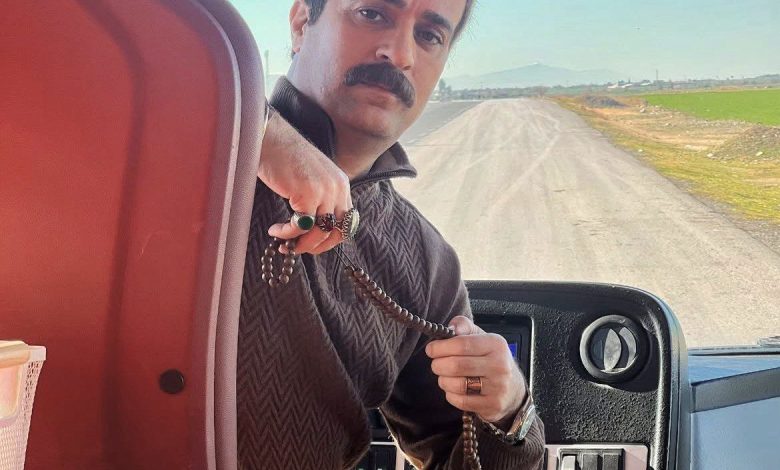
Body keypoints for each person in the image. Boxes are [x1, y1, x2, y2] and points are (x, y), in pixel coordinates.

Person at [238, 1, 545, 468]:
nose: (400, 54)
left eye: (430, 35)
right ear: (302, 22)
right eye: (372, 13)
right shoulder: (179, 135)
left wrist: (509, 413)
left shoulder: (426, 261)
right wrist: (253, 129)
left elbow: (458, 453)